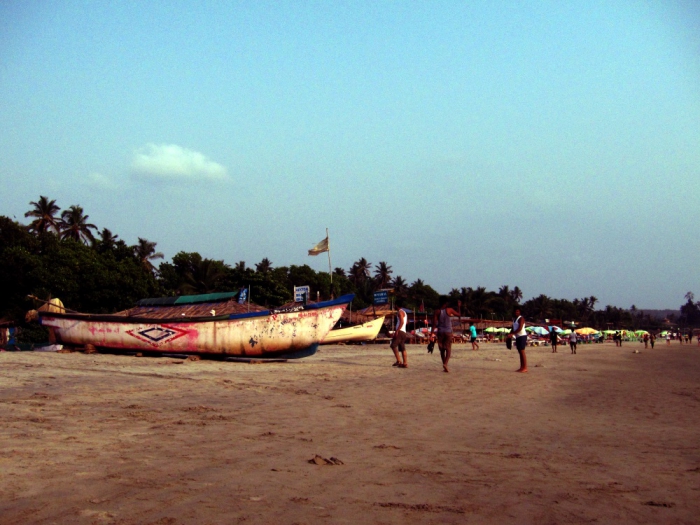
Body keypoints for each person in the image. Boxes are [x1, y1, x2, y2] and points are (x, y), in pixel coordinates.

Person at [433, 298, 459, 373]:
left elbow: (434, 323)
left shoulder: (437, 311)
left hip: (440, 332)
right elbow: (458, 314)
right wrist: (459, 307)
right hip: (448, 331)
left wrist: (431, 333)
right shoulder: (449, 310)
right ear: (445, 304)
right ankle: (445, 363)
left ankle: (444, 364)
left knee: (442, 350)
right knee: (448, 349)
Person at [507, 308, 528, 373]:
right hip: (518, 336)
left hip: (522, 336)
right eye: (515, 311)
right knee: (519, 351)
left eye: (517, 311)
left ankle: (525, 367)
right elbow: (513, 328)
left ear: (519, 312)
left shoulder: (521, 318)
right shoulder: (514, 319)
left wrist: (512, 333)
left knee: (522, 351)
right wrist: (509, 334)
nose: (516, 312)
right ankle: (521, 367)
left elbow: (520, 328)